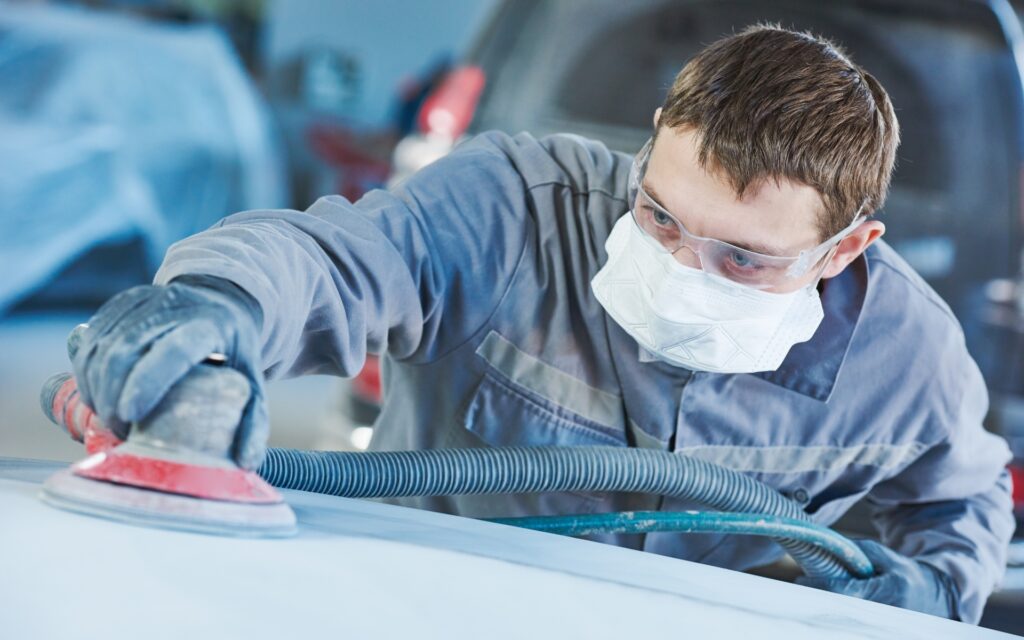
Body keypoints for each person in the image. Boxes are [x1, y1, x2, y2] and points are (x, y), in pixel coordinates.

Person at [71, 25, 1013, 623]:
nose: (684, 271)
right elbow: (330, 262)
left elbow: (959, 504)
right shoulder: (516, 206)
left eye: (743, 259)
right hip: (403, 610)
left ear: (845, 251)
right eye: (660, 219)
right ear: (652, 145)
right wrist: (210, 311)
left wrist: (922, 599)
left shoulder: (904, 356)